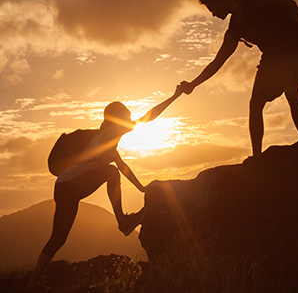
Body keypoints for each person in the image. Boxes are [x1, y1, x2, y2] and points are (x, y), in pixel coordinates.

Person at [26, 85, 183, 291]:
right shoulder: (112, 131)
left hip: (64, 186)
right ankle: (123, 223)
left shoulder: (106, 141)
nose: (130, 115)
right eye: (127, 113)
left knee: (58, 239)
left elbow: (123, 167)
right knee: (110, 173)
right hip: (71, 185)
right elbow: (148, 117)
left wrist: (142, 189)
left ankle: (31, 286)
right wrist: (174, 96)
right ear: (116, 117)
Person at [181, 0, 298, 156]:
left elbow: (289, 3)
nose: (213, 14)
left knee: (290, 90)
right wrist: (192, 84)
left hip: (293, 47)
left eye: (212, 8)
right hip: (272, 58)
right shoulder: (233, 32)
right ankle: (256, 157)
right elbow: (217, 62)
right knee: (255, 103)